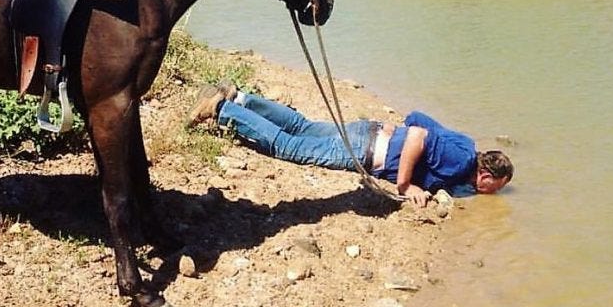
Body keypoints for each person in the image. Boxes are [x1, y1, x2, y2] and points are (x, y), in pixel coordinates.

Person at [188, 82, 513, 206]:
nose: (492, 193)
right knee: (289, 148)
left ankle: (239, 98)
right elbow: (418, 136)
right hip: (367, 151)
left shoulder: (466, 146)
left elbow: (415, 118)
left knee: (303, 127)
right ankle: (220, 109)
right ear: (485, 177)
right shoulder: (461, 161)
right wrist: (405, 184)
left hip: (370, 133)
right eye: (495, 188)